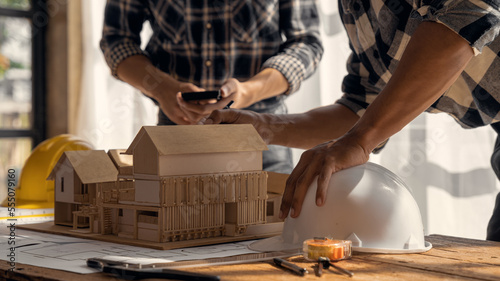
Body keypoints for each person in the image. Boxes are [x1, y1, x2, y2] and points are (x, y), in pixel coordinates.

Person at [197, 0, 500, 241]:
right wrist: (264, 127)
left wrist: (359, 140)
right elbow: (360, 107)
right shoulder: (355, 9)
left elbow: (469, 12)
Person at [99, 0, 323, 174]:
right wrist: (162, 88)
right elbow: (116, 40)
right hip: (176, 131)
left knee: (269, 223)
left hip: (262, 134)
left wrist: (249, 90)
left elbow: (306, 43)